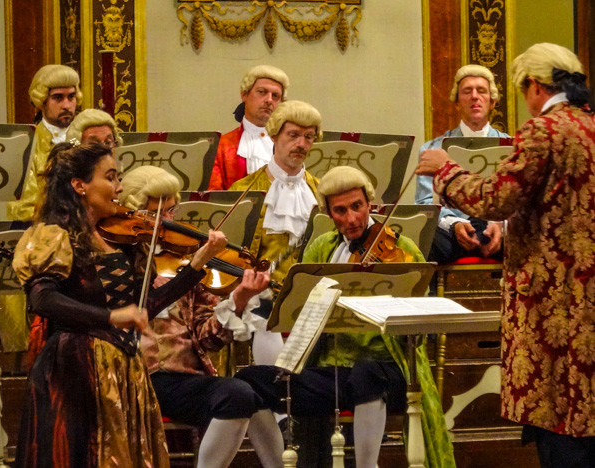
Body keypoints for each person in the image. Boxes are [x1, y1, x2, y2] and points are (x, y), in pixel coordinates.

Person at [417, 43, 595, 468]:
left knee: (554, 405)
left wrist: (445, 169)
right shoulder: (590, 127)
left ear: (533, 86)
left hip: (549, 292)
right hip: (586, 287)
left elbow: (495, 199)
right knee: (584, 398)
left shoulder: (544, 129)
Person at [12, 142, 229, 467]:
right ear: (79, 185)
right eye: (110, 177)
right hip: (76, 368)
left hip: (123, 369)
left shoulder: (122, 243)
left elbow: (145, 307)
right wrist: (111, 317)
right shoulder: (54, 235)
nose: (119, 187)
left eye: (119, 178)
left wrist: (196, 266)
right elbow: (43, 298)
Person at [235, 166, 455, 468]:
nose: (351, 219)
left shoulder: (403, 249)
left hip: (390, 370)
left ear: (370, 204)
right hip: (334, 369)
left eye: (357, 207)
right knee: (248, 381)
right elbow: (298, 314)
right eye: (340, 210)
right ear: (328, 212)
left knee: (367, 372)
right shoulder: (320, 247)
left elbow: (424, 329)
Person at [118, 165, 284, 468]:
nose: (168, 222)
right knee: (236, 394)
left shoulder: (187, 262)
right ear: (133, 214)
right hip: (138, 377)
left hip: (186, 379)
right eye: (157, 213)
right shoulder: (120, 262)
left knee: (249, 392)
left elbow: (208, 340)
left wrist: (238, 299)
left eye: (171, 211)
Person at [229, 100, 321, 366]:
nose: (301, 144)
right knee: (262, 309)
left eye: (308, 137)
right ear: (274, 135)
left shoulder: (322, 193)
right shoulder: (242, 192)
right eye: (293, 135)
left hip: (309, 297)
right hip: (259, 298)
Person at [415, 64, 508, 264]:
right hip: (453, 234)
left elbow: (520, 201)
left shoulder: (513, 148)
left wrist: (500, 225)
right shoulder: (432, 150)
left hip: (500, 233)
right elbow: (424, 203)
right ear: (457, 102)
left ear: (492, 102)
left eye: (481, 91)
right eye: (467, 91)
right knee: (424, 240)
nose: (475, 96)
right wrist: (456, 224)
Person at [7, 64, 81, 221]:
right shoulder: (26, 145)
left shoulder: (87, 137)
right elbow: (22, 209)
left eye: (71, 97)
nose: (67, 105)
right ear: (41, 101)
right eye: (58, 97)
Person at [208, 65, 290, 190]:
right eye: (262, 92)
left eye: (275, 96)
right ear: (244, 95)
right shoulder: (221, 147)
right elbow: (215, 198)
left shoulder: (290, 146)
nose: (269, 100)